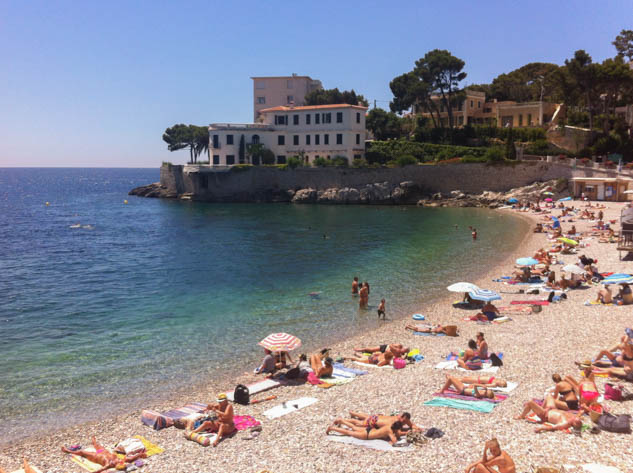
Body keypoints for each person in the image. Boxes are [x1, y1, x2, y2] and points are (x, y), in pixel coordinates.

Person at [62, 437, 147, 472]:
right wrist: (140, 454)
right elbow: (131, 458)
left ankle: (68, 451)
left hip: (95, 456)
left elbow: (99, 470)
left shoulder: (109, 465)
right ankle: (94, 442)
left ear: (114, 466)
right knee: (97, 446)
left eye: (115, 464)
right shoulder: (121, 460)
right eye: (118, 462)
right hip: (103, 452)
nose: (116, 461)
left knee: (82, 452)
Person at [515, 398, 583, 433]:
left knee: (530, 402)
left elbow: (553, 427)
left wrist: (541, 428)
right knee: (549, 396)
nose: (574, 417)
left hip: (544, 415)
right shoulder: (575, 417)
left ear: (573, 423)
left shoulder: (565, 423)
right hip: (552, 409)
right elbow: (580, 413)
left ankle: (521, 416)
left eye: (575, 420)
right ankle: (541, 407)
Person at [326, 420, 405, 445]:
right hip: (367, 435)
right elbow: (394, 442)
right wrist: (392, 441)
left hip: (370, 429)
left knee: (354, 427)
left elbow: (396, 433)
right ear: (396, 428)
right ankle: (332, 428)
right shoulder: (390, 431)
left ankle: (342, 421)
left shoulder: (389, 425)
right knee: (348, 432)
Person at [345, 411, 423, 432]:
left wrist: (417, 428)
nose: (404, 422)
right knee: (360, 423)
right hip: (374, 421)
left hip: (377, 417)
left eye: (405, 421)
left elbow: (411, 425)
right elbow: (396, 432)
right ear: (401, 418)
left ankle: (353, 413)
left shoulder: (404, 419)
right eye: (403, 420)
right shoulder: (396, 422)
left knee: (367, 416)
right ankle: (344, 421)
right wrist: (407, 432)